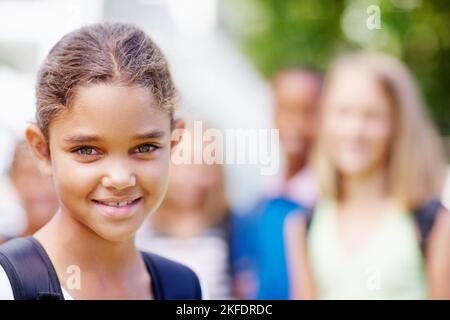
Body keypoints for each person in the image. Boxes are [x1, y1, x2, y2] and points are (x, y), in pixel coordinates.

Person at [0, 22, 203, 300]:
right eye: (87, 150)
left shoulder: (181, 286)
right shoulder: (10, 285)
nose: (119, 178)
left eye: (145, 147)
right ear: (42, 150)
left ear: (173, 144)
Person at [286, 52, 450, 299]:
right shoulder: (303, 226)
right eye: (343, 112)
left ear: (398, 125)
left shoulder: (433, 224)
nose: (355, 131)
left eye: (372, 115)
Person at [232, 68, 323, 299]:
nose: (295, 123)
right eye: (285, 109)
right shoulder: (263, 197)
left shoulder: (326, 201)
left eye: (309, 111)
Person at [136, 120, 234, 299]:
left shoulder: (233, 227)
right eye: (186, 165)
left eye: (205, 165)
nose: (195, 177)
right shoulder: (138, 228)